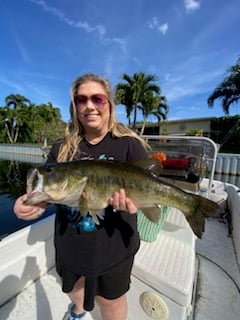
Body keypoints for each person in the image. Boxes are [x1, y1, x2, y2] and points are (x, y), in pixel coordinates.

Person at [13, 73, 150, 320]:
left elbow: (146, 189)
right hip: (71, 244)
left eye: (97, 99)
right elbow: (47, 192)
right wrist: (29, 205)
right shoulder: (61, 148)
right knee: (74, 289)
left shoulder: (129, 145)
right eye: (81, 100)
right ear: (74, 106)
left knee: (111, 303)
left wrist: (133, 203)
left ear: (109, 104)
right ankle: (78, 311)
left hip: (114, 247)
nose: (89, 106)